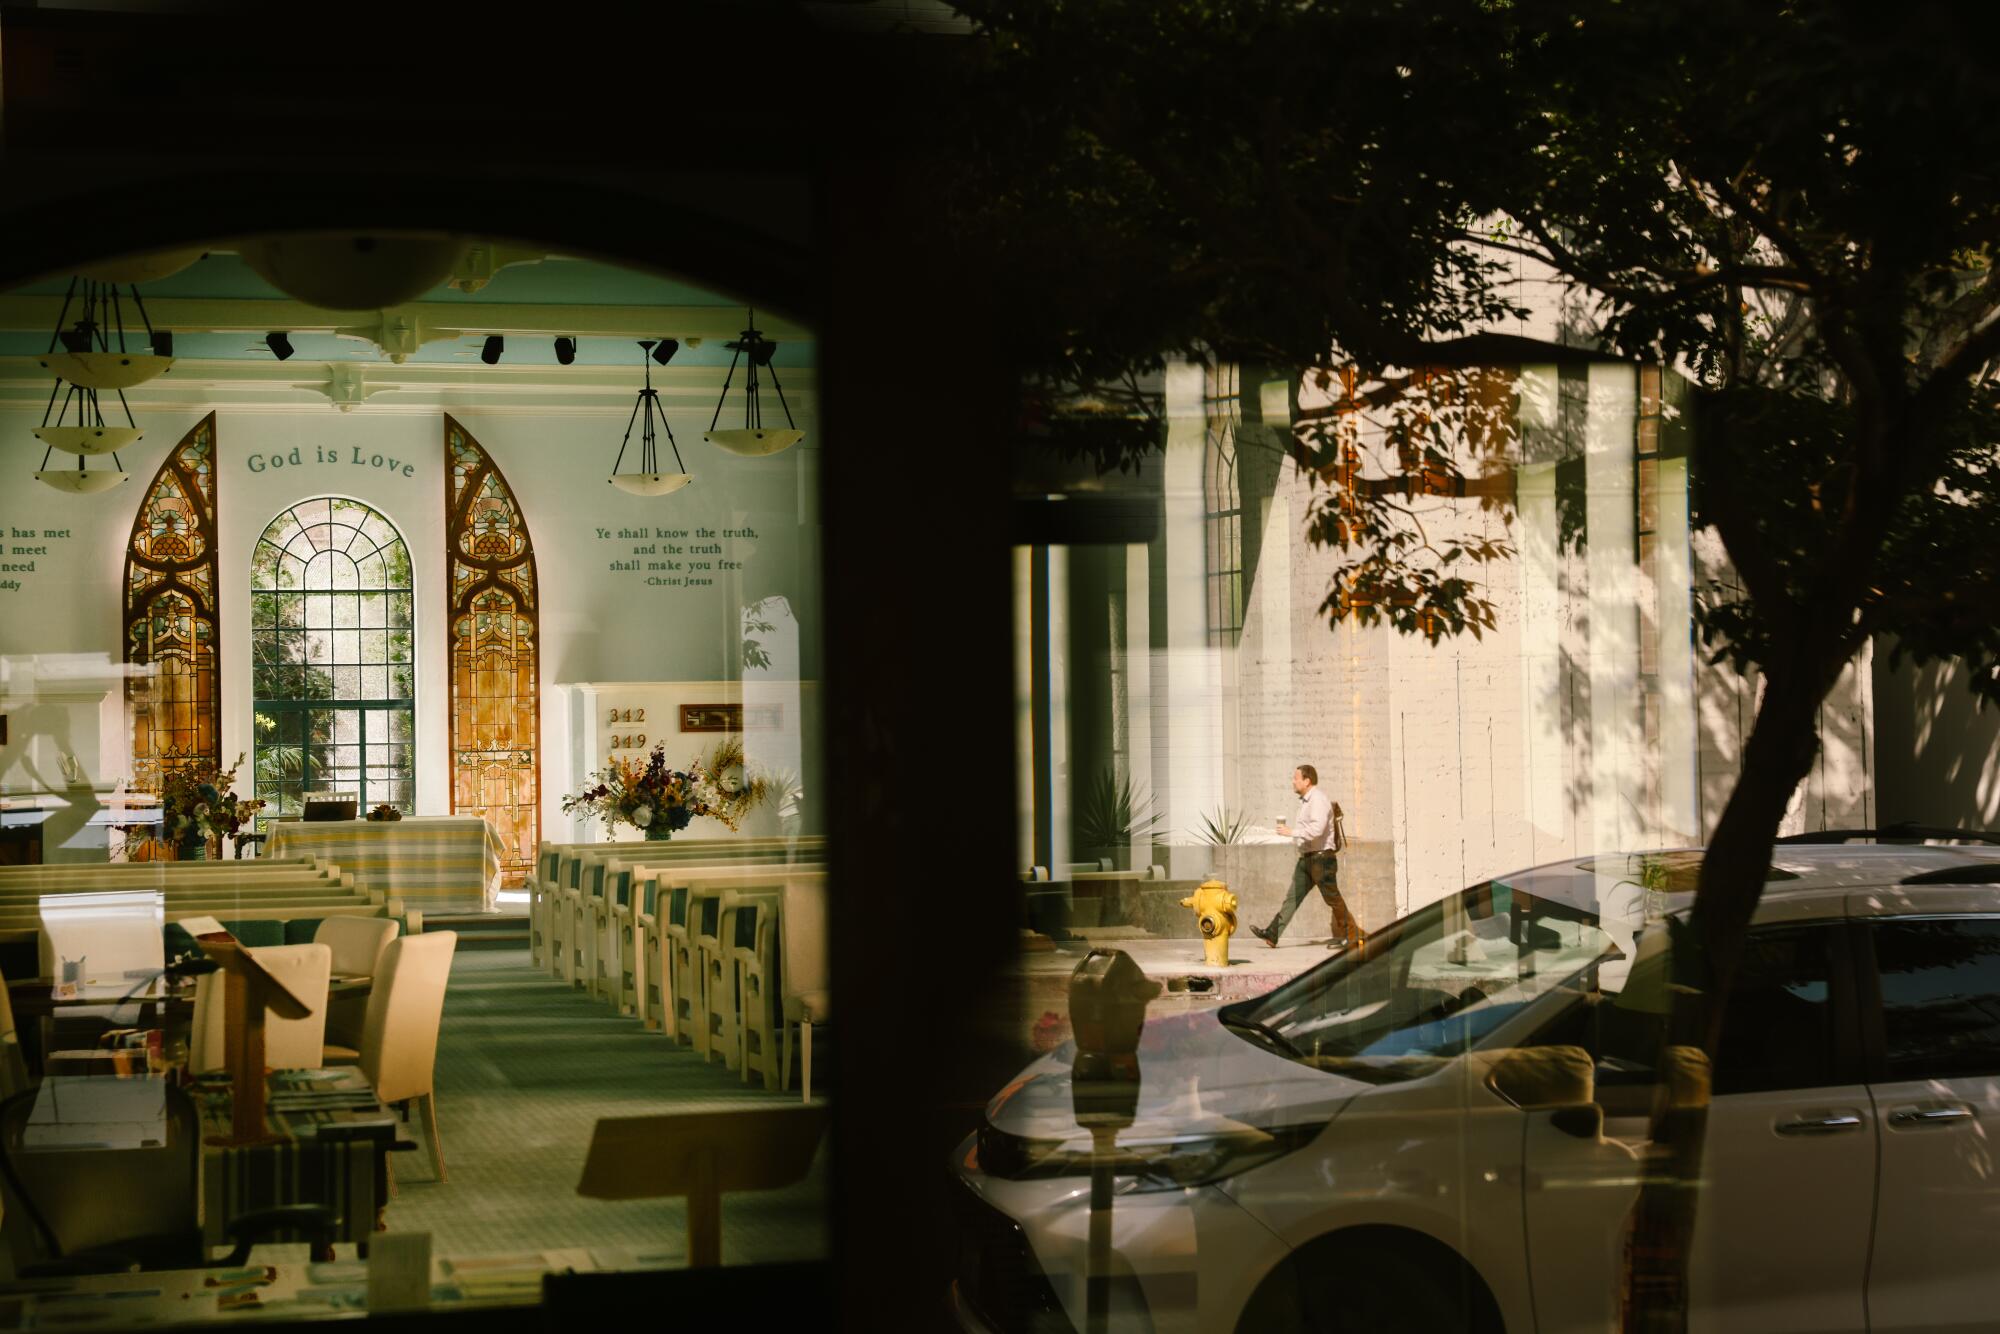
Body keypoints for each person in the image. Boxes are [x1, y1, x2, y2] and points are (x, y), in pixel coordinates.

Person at [1250, 764, 1354, 949]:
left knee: (1332, 898)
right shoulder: (1306, 801)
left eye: (1296, 778)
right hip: (1307, 859)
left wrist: (1292, 832)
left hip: (1321, 859)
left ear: (1307, 780)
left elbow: (1317, 829)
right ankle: (1273, 933)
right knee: (1292, 898)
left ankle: (1350, 935)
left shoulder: (1318, 800)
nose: (1293, 781)